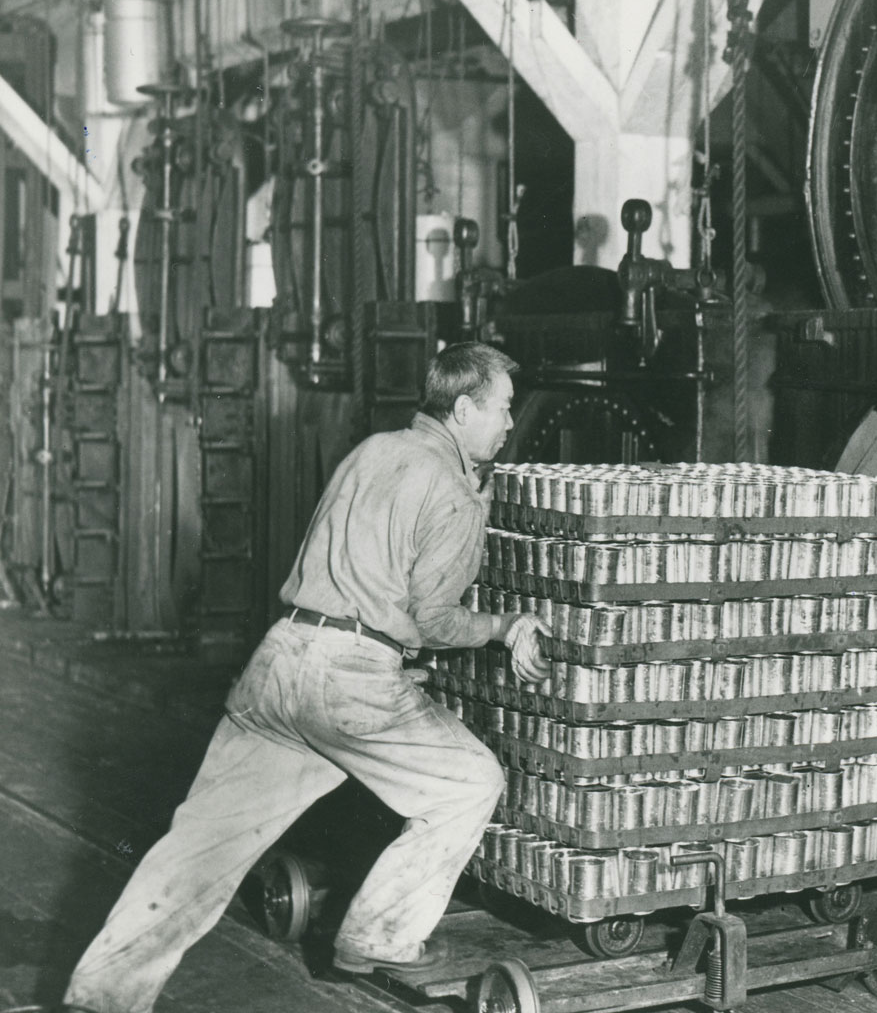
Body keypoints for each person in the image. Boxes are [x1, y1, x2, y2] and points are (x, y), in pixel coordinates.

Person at [65, 341, 548, 1013]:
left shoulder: (370, 451)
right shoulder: (451, 489)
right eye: (501, 409)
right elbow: (433, 619)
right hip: (349, 678)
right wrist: (503, 626)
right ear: (464, 408)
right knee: (471, 781)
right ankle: (380, 936)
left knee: (199, 851)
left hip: (279, 660)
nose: (506, 424)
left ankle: (99, 999)